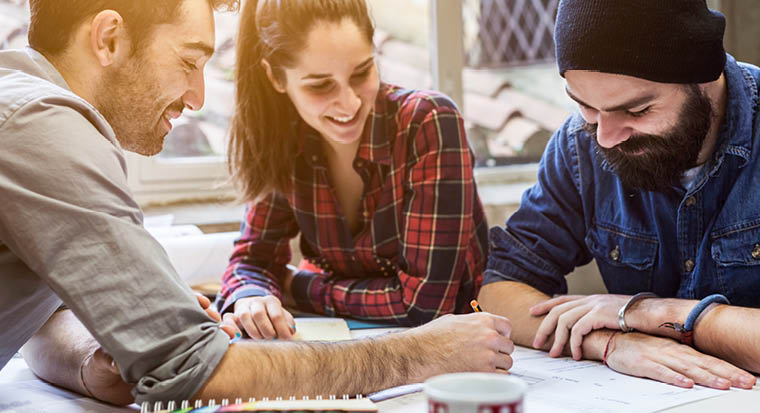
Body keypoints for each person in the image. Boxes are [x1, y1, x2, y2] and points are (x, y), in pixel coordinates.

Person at [1, 0, 514, 406]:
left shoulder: (26, 110)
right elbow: (191, 366)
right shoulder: (40, 125)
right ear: (109, 38)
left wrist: (98, 359)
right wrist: (424, 351)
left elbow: (36, 321)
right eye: (189, 61)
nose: (199, 97)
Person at [478, 0, 760, 391]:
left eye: (638, 110)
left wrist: (649, 313)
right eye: (586, 106)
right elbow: (500, 288)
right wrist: (610, 341)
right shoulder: (581, 144)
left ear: (704, 78)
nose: (606, 137)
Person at [216, 0, 489, 339]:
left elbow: (425, 307)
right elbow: (251, 261)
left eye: (362, 73)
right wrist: (252, 297)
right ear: (276, 77)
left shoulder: (428, 121)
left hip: (457, 347)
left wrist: (296, 285)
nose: (350, 103)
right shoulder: (282, 139)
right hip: (347, 347)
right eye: (319, 85)